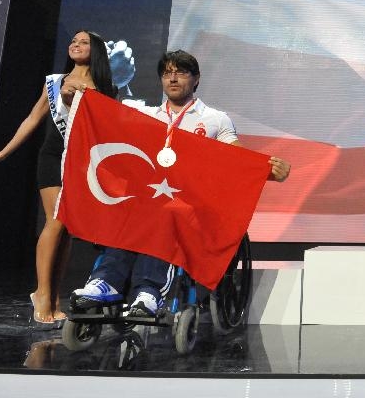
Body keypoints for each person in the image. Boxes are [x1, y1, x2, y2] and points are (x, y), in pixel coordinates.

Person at [70, 50, 291, 317]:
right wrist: (77, 98)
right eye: (167, 73)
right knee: (129, 208)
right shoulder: (144, 114)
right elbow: (103, 122)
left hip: (193, 207)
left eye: (181, 72)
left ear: (196, 79)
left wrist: (268, 169)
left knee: (169, 212)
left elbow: (238, 158)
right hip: (148, 202)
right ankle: (106, 281)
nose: (172, 78)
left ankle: (150, 292)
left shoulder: (214, 119)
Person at [0, 30, 116, 325]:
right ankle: (41, 293)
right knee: (56, 221)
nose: (75, 45)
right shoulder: (55, 83)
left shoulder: (107, 88)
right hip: (53, 157)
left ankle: (54, 296)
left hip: (82, 163)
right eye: (73, 41)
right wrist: (2, 153)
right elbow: (32, 119)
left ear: (97, 50)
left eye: (83, 42)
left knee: (67, 229)